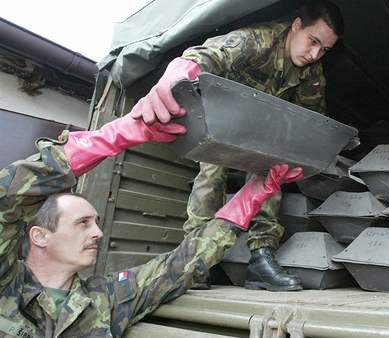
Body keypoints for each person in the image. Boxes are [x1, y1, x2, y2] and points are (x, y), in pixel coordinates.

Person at [0, 102, 302, 336]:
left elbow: (184, 262)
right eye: (82, 223)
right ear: (39, 235)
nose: (98, 233)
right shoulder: (6, 285)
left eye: (96, 223)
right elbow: (8, 198)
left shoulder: (109, 299)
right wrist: (119, 135)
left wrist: (254, 194)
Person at [131, 0, 344, 291]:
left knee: (273, 169)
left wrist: (301, 156)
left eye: (325, 50)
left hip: (265, 129)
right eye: (313, 41)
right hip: (223, 120)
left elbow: (310, 119)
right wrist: (175, 76)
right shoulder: (255, 41)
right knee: (211, 175)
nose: (315, 54)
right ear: (296, 25)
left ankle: (261, 259)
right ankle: (194, 262)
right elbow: (201, 56)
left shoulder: (312, 75)